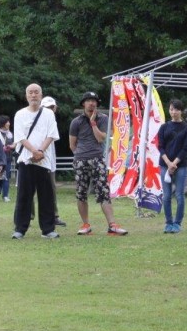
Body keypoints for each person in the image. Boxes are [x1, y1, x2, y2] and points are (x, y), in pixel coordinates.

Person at [69, 91, 126, 236]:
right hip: (81, 159)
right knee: (81, 193)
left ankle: (112, 225)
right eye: (88, 100)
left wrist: (93, 123)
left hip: (98, 158)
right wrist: (80, 155)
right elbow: (72, 145)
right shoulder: (76, 122)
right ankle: (85, 224)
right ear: (83, 103)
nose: (91, 103)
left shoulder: (104, 119)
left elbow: (102, 139)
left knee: (103, 192)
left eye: (94, 100)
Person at [11, 84, 60, 240]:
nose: (33, 95)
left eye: (36, 92)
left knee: (46, 196)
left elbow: (51, 134)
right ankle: (20, 229)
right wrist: (33, 151)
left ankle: (48, 229)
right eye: (30, 93)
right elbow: (20, 137)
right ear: (26, 96)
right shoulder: (20, 114)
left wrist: (40, 152)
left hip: (44, 160)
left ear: (41, 95)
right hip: (26, 159)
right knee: (24, 195)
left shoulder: (48, 114)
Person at [158, 99, 187, 234]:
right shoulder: (164, 127)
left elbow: (186, 148)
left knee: (179, 195)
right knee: (166, 196)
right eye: (172, 109)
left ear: (181, 111)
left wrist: (175, 163)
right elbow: (160, 146)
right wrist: (168, 163)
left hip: (181, 165)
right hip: (164, 165)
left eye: (176, 109)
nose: (174, 112)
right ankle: (168, 222)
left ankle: (177, 223)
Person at [40, 96, 66, 227]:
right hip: (37, 161)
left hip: (50, 162)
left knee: (52, 189)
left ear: (55, 108)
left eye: (51, 107)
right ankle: (27, 216)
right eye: (46, 107)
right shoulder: (37, 120)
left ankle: (54, 215)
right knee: (30, 189)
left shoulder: (53, 122)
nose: (49, 110)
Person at [0, 115, 15, 202]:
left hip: (8, 158)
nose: (9, 123)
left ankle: (5, 195)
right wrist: (1, 148)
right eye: (7, 122)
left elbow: (15, 143)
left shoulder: (9, 133)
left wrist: (11, 146)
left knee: (6, 177)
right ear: (2, 123)